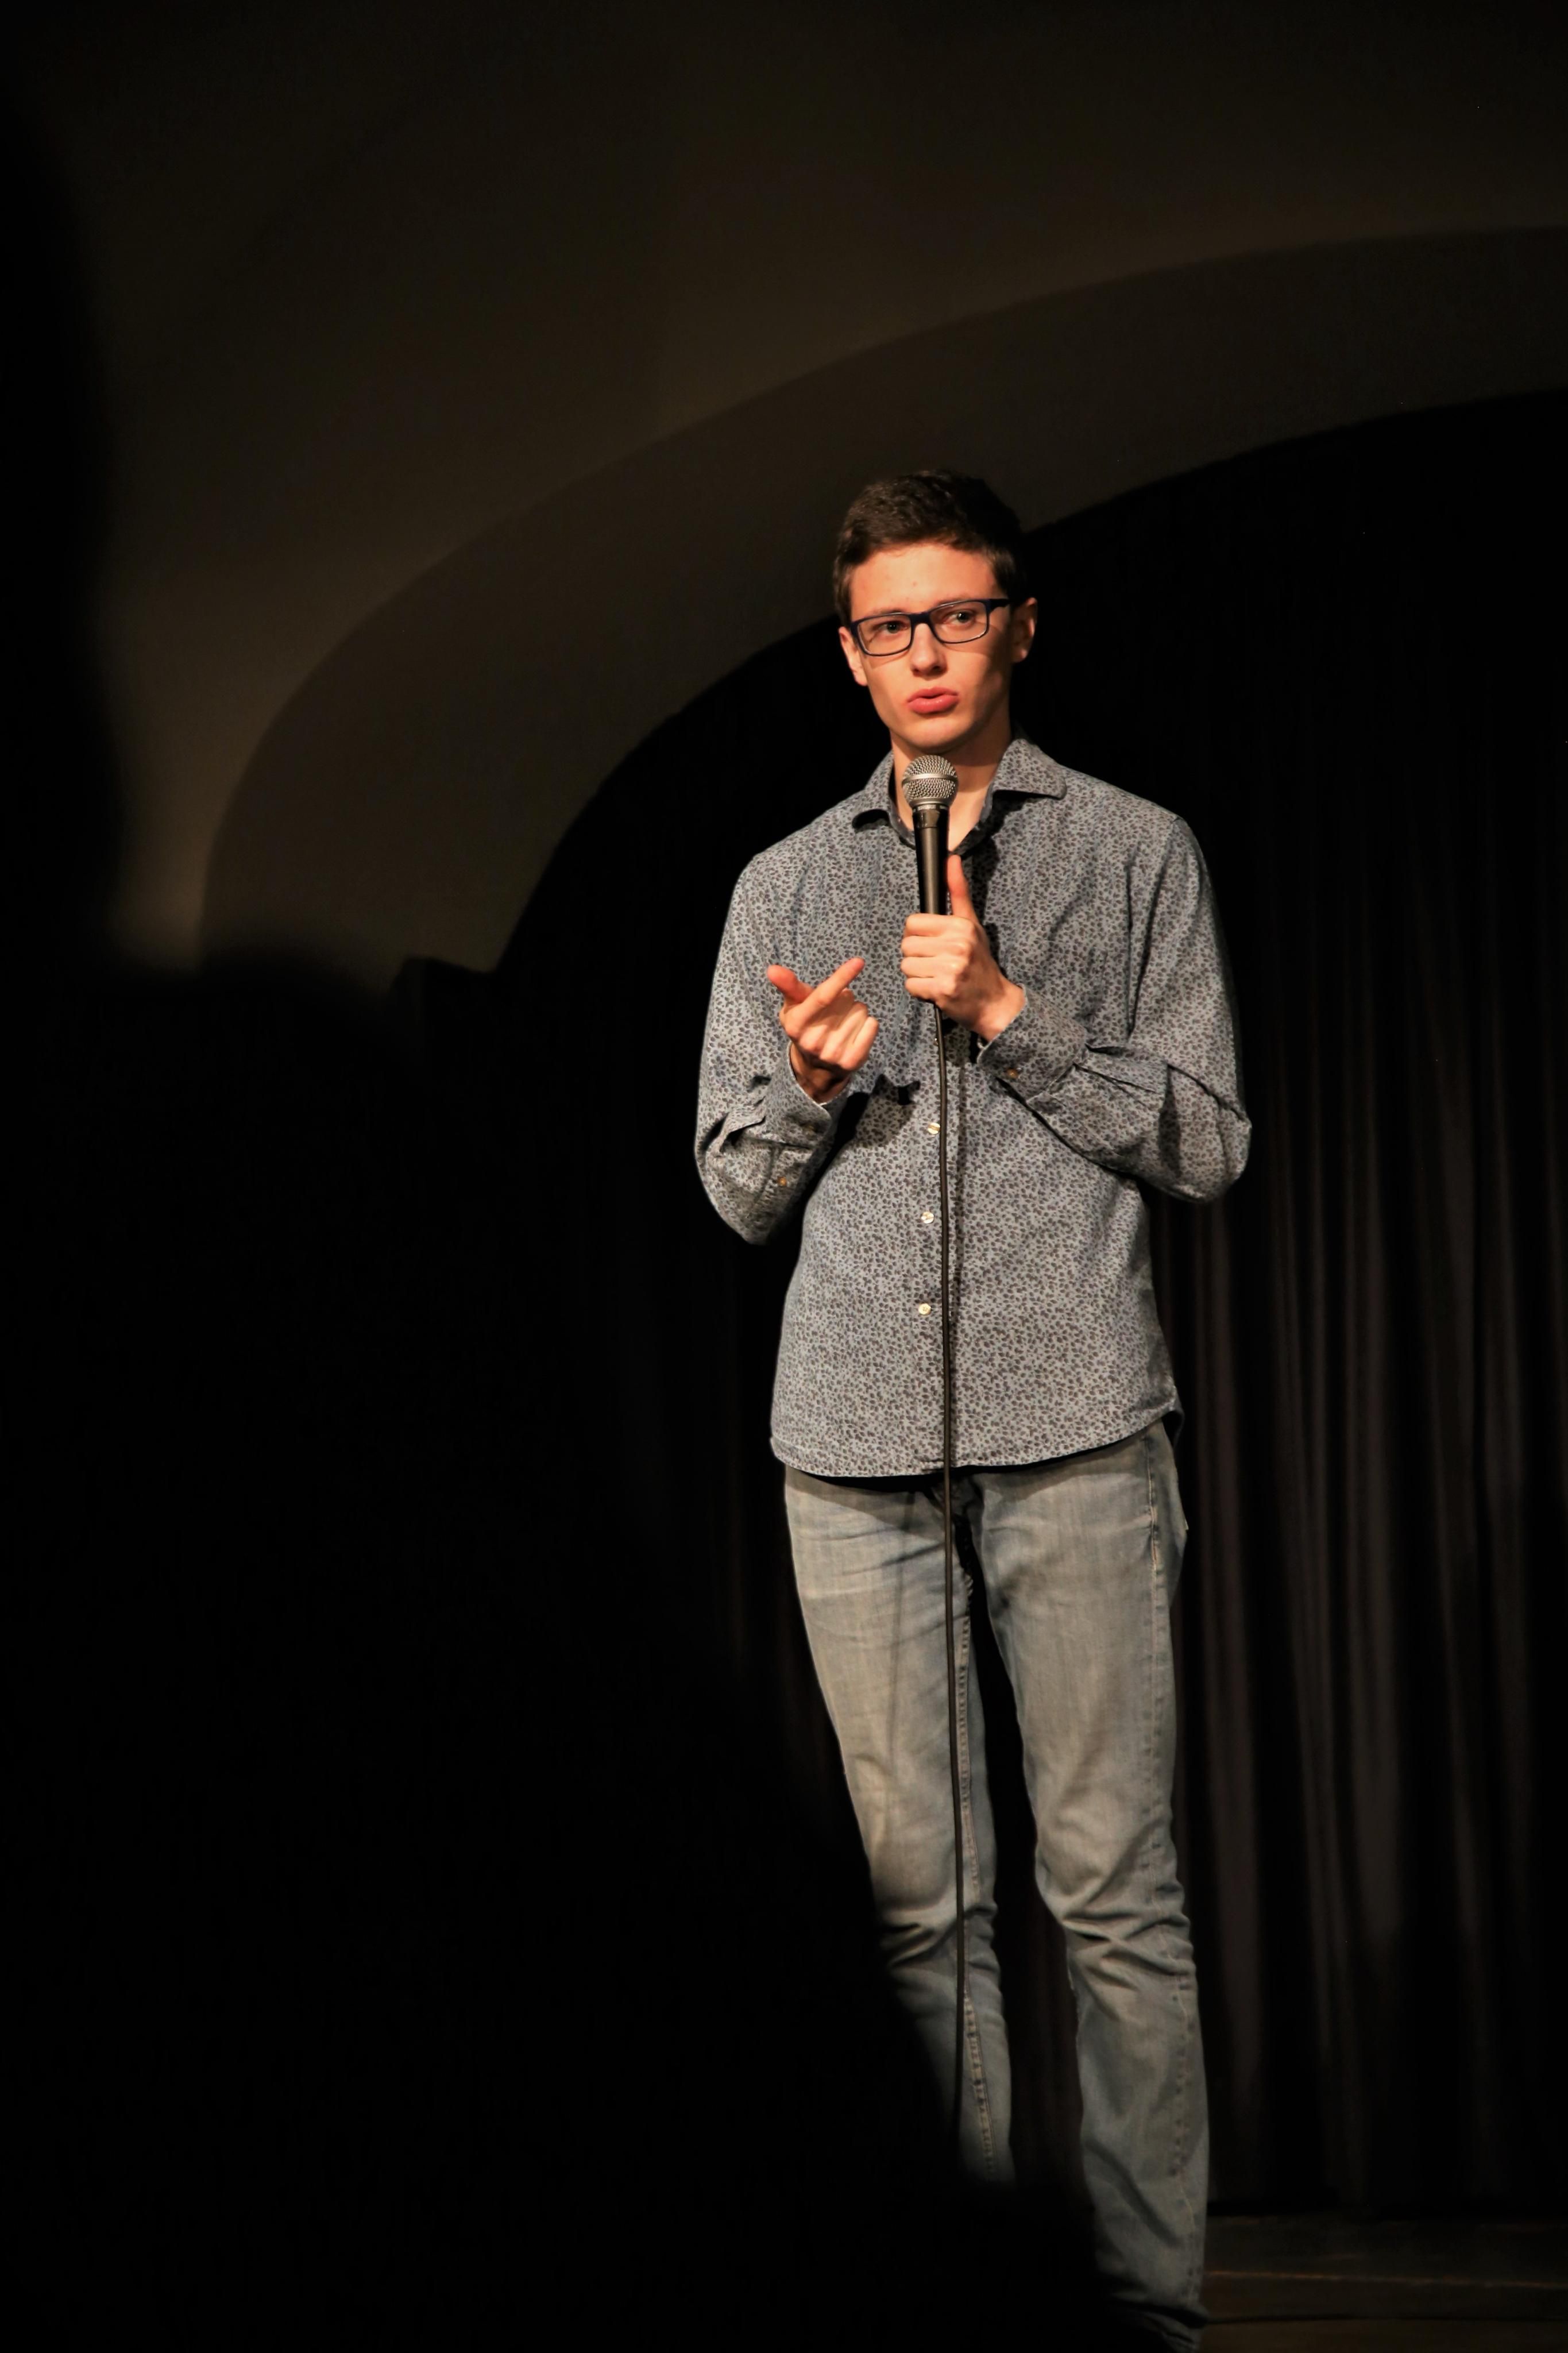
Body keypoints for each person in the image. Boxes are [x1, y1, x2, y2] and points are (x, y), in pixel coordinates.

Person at [695, 471, 1250, 2350]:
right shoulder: (782, 885)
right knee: (917, 1916)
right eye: (887, 626)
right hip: (850, 1452)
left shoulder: (1133, 851)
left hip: (1075, 1428)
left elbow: (1206, 1141)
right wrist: (803, 1088)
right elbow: (732, 1191)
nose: (921, 651)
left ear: (1016, 624)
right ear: (849, 657)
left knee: (1111, 1896)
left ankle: (1147, 2313)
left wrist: (1014, 1015)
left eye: (952, 615)